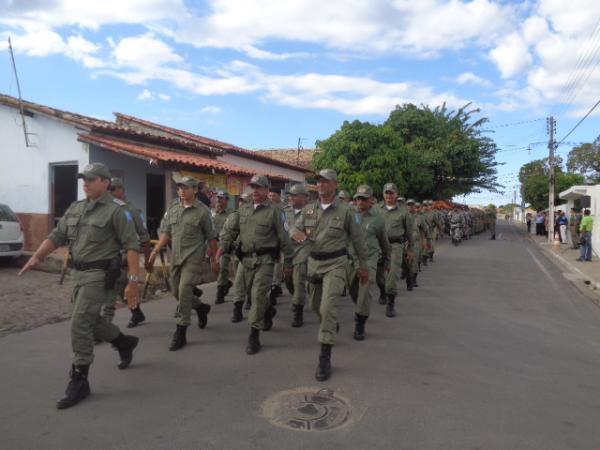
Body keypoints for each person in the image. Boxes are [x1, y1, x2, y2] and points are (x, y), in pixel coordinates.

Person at [18, 163, 141, 409]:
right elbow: (57, 236)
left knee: (79, 321)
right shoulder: (76, 208)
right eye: (84, 179)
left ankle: (80, 378)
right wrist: (36, 257)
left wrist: (133, 283)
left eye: (92, 179)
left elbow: (131, 246)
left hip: (100, 274)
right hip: (79, 274)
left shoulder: (118, 211)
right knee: (88, 320)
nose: (86, 183)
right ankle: (123, 342)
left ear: (106, 183)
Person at [291, 169, 368, 381]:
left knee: (327, 307)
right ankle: (330, 324)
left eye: (325, 182)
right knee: (317, 307)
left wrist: (363, 266)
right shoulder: (308, 210)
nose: (321, 185)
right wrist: (295, 234)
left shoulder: (347, 211)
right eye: (318, 182)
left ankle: (324, 356)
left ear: (335, 184)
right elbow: (294, 228)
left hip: (336, 264)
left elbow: (359, 241)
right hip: (314, 263)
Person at [217, 175, 293, 354]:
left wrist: (288, 262)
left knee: (258, 295)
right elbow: (230, 230)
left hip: (266, 260)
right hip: (245, 259)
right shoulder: (243, 210)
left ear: (267, 190)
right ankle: (267, 312)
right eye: (253, 187)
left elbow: (284, 239)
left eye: (259, 187)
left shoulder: (275, 212)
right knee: (252, 294)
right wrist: (222, 246)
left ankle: (254, 335)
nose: (255, 191)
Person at [148, 176, 217, 351]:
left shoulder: (202, 211)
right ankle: (201, 308)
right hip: (176, 257)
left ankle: (181, 330)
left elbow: (211, 237)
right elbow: (166, 232)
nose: (181, 190)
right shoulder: (173, 208)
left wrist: (214, 258)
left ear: (194, 190)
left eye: (185, 187)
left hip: (193, 257)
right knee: (176, 291)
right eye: (179, 187)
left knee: (185, 289)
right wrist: (155, 251)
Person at [103, 177, 151, 328]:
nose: (109, 193)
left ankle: (108, 323)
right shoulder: (108, 208)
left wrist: (148, 258)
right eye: (108, 189)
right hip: (111, 254)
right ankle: (135, 312)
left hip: (127, 254)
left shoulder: (132, 211)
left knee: (121, 284)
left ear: (121, 190)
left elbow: (144, 235)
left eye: (112, 189)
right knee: (117, 285)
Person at [350, 185, 390, 339]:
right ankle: (360, 307)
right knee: (353, 290)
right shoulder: (349, 214)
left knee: (365, 290)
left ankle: (360, 322)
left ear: (371, 200)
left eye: (364, 199)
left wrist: (387, 260)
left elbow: (384, 241)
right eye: (358, 198)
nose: (360, 201)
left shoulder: (378, 218)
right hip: (350, 259)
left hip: (369, 260)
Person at [376, 182, 411, 316]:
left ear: (396, 194)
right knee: (379, 277)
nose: (389, 195)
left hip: (395, 246)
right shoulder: (375, 209)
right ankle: (382, 292)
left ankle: (391, 303)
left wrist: (410, 248)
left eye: (391, 193)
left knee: (392, 276)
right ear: (383, 194)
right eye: (386, 193)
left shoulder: (403, 211)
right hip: (378, 246)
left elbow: (409, 231)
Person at [285, 183, 310, 327]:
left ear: (305, 197)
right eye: (291, 195)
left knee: (299, 278)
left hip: (303, 249)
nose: (292, 198)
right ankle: (297, 297)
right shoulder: (284, 211)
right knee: (288, 280)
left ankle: (298, 311)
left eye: (295, 195)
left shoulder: (311, 212)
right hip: (287, 250)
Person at [212, 190, 233, 304]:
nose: (219, 200)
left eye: (221, 198)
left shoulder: (231, 214)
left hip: (225, 244)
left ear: (226, 200)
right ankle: (226, 283)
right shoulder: (211, 213)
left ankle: (220, 293)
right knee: (214, 268)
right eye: (217, 198)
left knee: (223, 266)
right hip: (213, 244)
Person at [268, 188, 285, 304]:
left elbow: (285, 226)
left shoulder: (284, 209)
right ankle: (274, 285)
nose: (271, 198)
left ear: (279, 196)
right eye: (269, 196)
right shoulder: (266, 208)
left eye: (273, 196)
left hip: (281, 242)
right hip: (269, 242)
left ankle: (275, 285)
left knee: (278, 264)